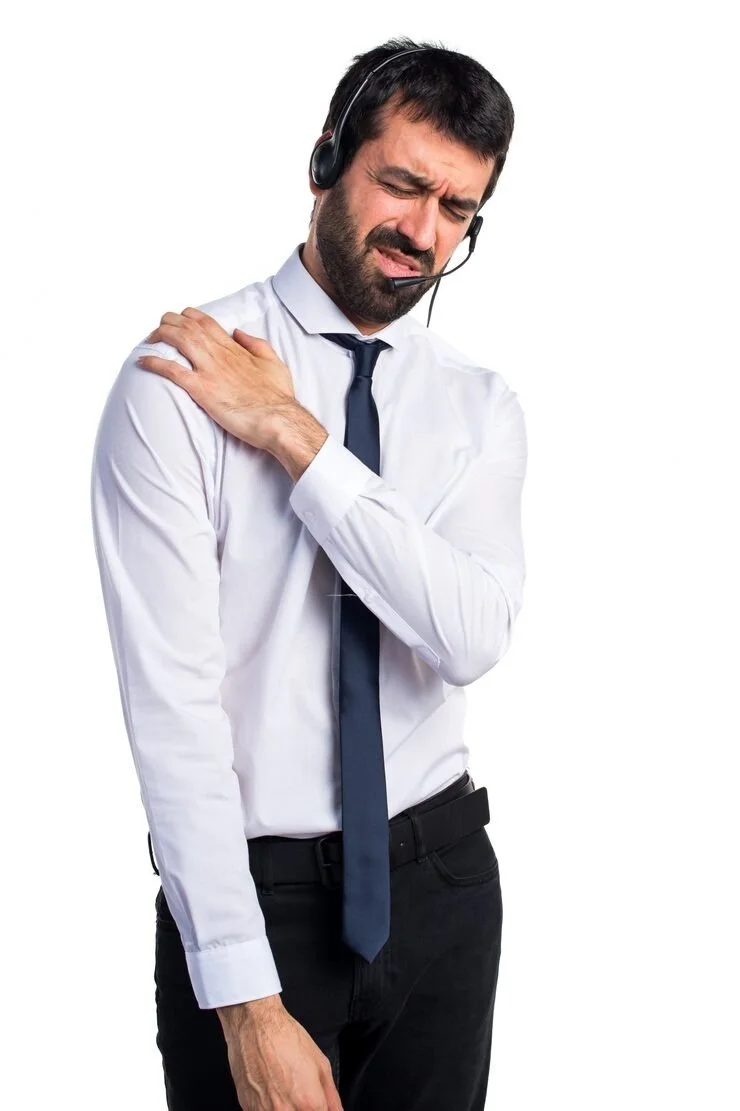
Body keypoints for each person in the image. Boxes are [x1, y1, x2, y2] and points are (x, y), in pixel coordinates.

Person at [90, 34, 527, 1111]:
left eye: (458, 210)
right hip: (257, 899)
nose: (423, 233)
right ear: (327, 159)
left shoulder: (478, 405)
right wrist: (244, 1000)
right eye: (403, 185)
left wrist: (298, 439)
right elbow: (173, 713)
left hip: (441, 883)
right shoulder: (178, 382)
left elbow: (469, 636)